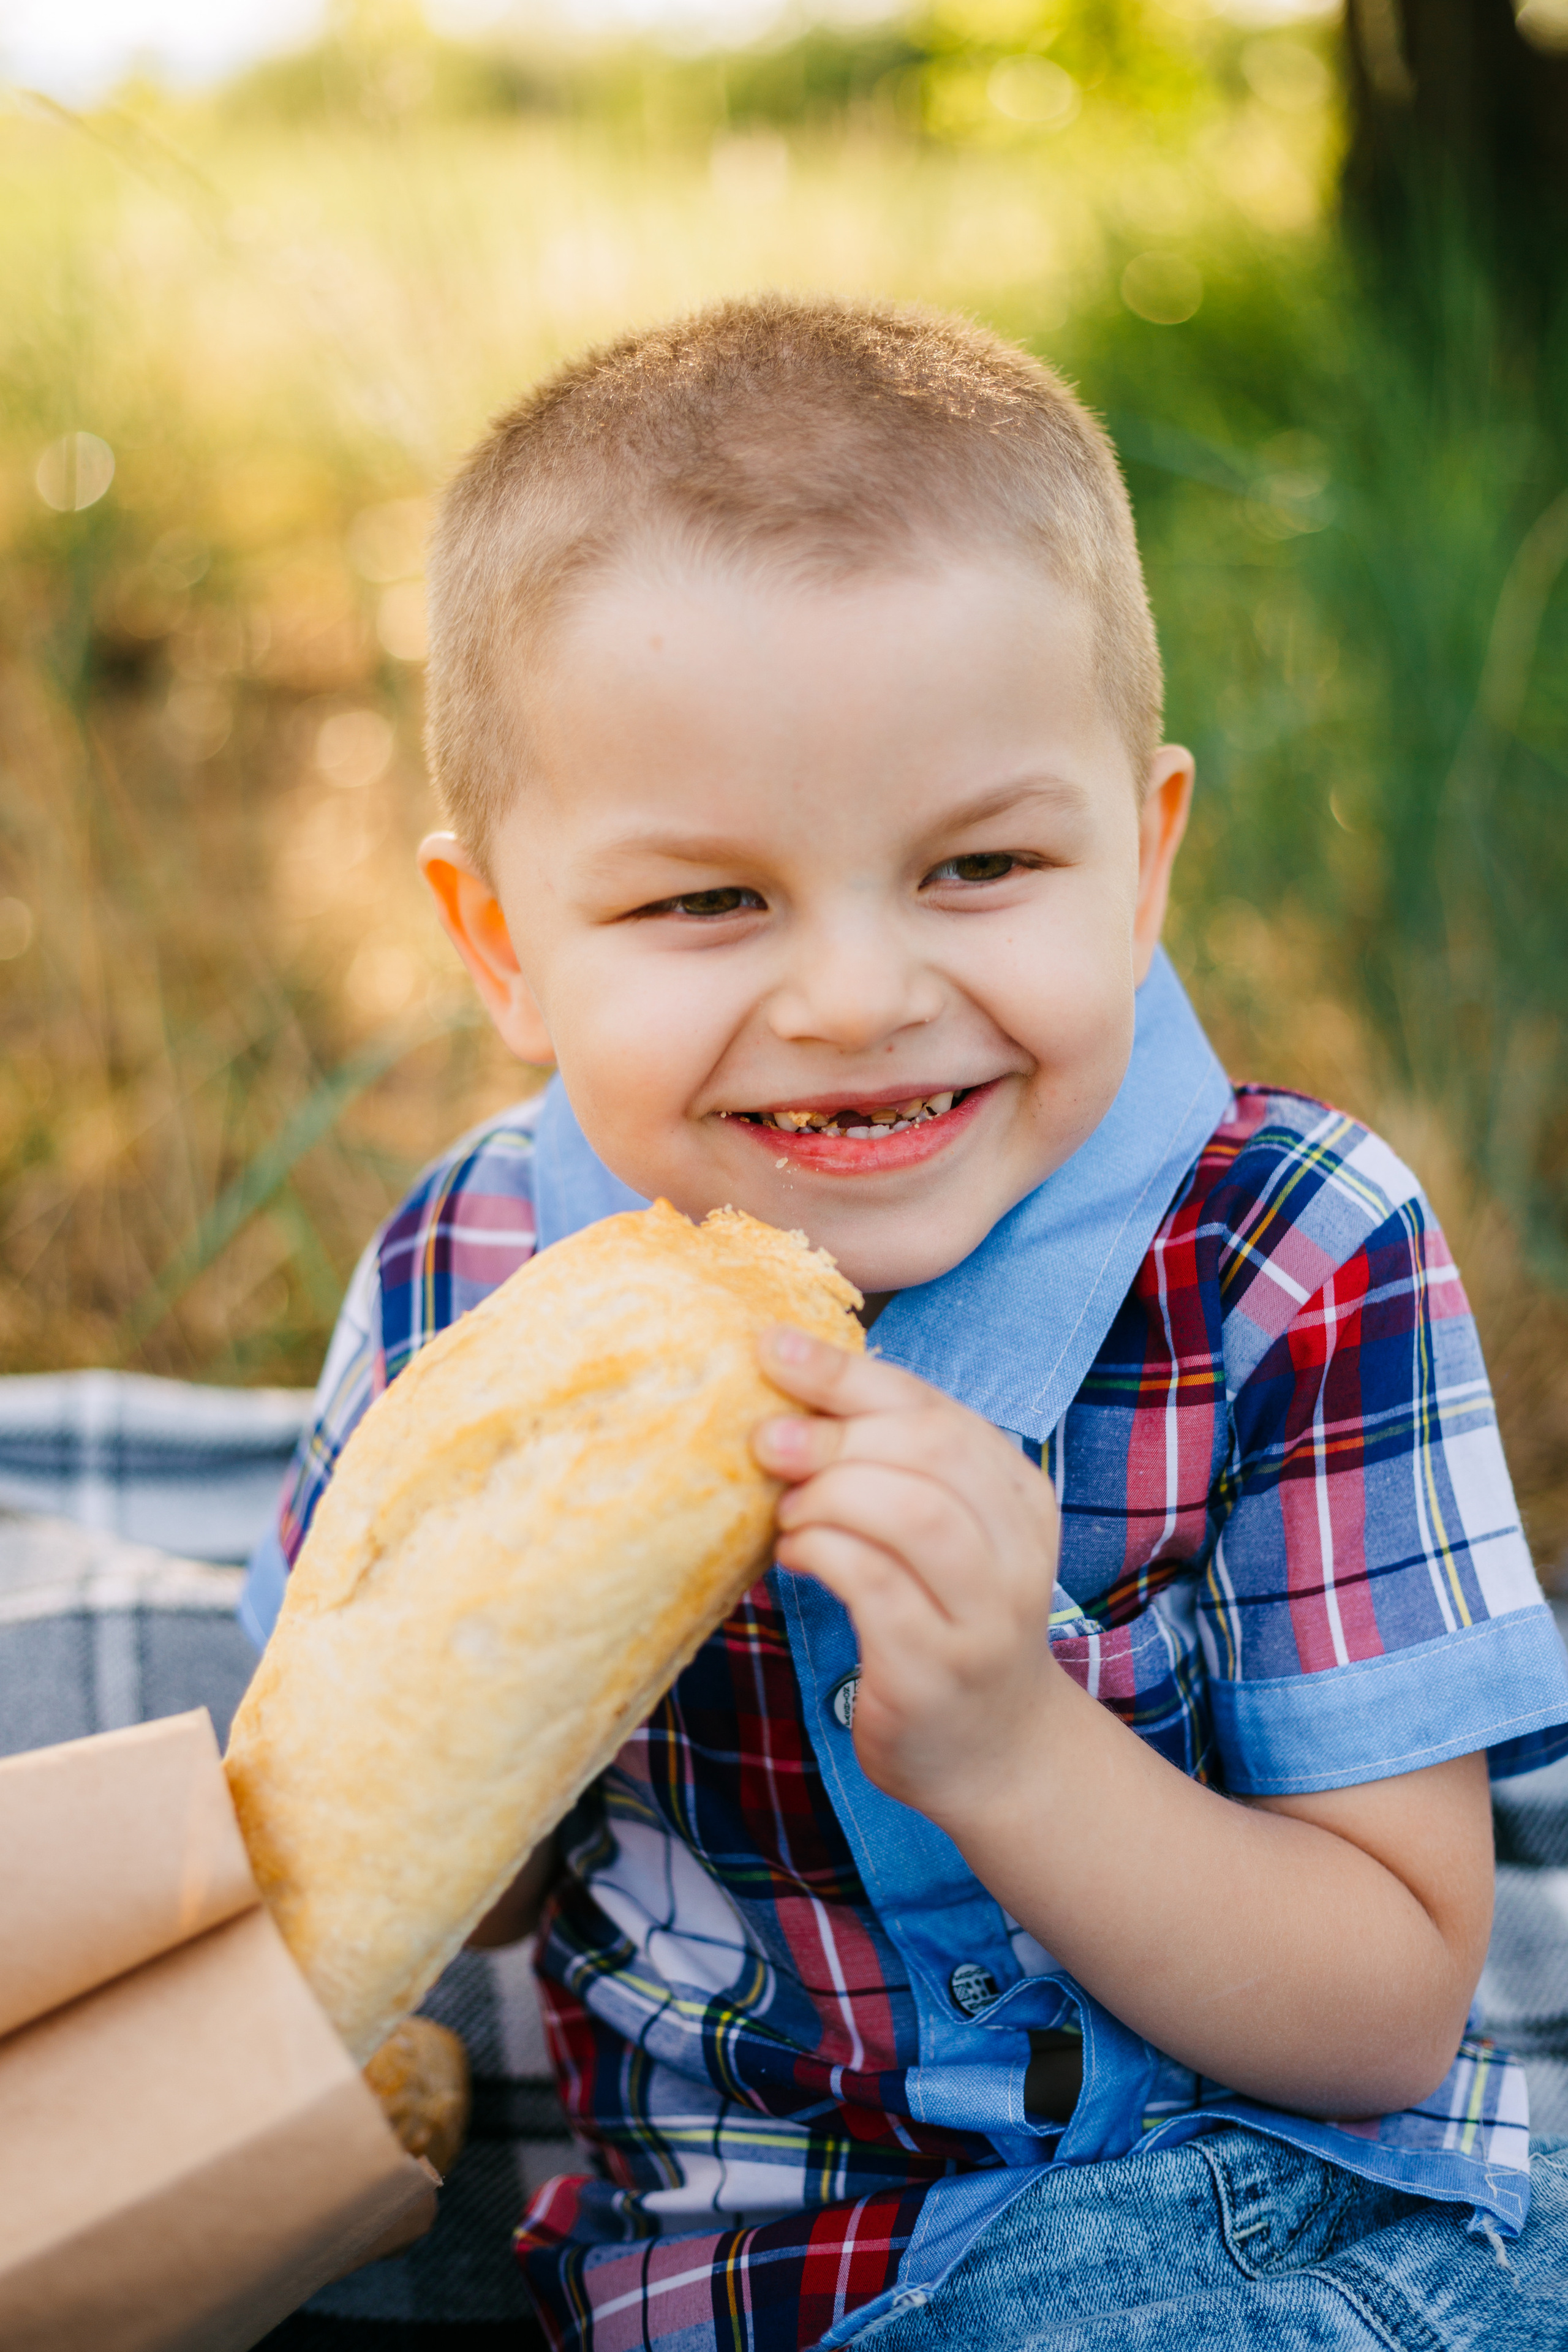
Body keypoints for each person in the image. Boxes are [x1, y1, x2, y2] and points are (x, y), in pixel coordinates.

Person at [242, 296, 1568, 2350]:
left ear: (1141, 866)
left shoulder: (1290, 1252)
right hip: (725, 2285)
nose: (858, 994)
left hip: (1254, 2223)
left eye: (978, 865)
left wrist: (1012, 1747)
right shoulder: (460, 1286)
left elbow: (1391, 2012)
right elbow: (396, 1896)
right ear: (500, 945)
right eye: (709, 902)